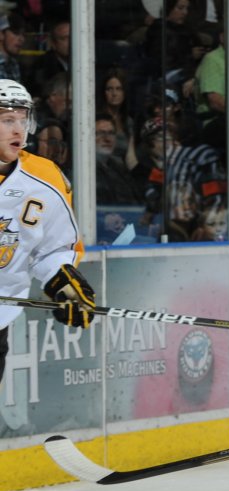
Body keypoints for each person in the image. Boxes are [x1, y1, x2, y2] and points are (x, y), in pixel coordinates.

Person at [0, 80, 96, 385]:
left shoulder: (45, 178)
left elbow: (53, 247)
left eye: (22, 119)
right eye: (7, 120)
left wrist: (61, 280)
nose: (18, 129)